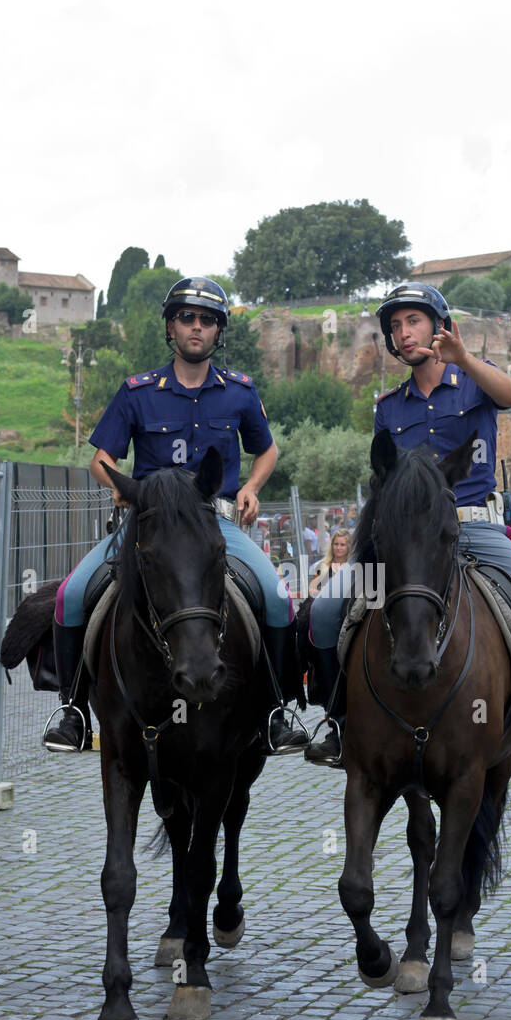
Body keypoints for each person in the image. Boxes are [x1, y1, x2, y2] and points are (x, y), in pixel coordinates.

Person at [305, 282, 511, 769]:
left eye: (413, 321)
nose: (404, 333)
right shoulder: (387, 407)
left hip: (474, 528)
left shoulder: (476, 381)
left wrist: (463, 358)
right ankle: (336, 723)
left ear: (438, 326)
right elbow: (382, 482)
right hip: (407, 542)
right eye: (395, 327)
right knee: (323, 612)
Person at [43, 276, 308, 756]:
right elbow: (100, 460)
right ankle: (73, 710)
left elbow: (267, 452)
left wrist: (250, 487)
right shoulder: (136, 392)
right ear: (171, 327)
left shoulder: (241, 392)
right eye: (187, 317)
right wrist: (125, 492)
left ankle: (275, 710)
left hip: (216, 522)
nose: (197, 327)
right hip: (149, 525)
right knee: (71, 594)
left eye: (207, 320)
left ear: (217, 332)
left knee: (276, 597)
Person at [309, 529, 352, 596]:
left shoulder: (353, 566)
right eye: (336, 544)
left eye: (342, 545)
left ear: (348, 547)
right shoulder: (321, 566)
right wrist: (320, 592)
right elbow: (311, 590)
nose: (338, 547)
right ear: (332, 545)